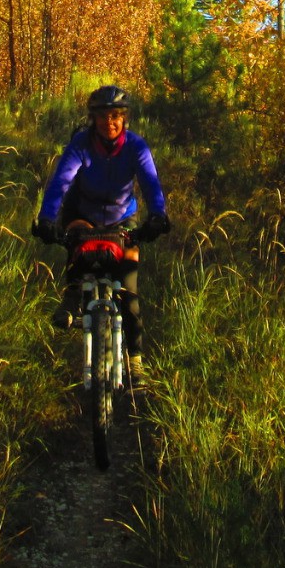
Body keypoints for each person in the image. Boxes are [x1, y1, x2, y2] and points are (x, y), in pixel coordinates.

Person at [32, 85, 170, 379]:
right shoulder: (81, 144)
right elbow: (61, 183)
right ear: (93, 119)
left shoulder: (136, 147)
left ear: (124, 118)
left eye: (116, 115)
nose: (110, 122)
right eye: (104, 116)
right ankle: (72, 295)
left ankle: (135, 361)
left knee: (129, 290)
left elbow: (150, 183)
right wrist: (46, 218)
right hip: (83, 214)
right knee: (77, 243)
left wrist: (158, 215)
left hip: (122, 218)